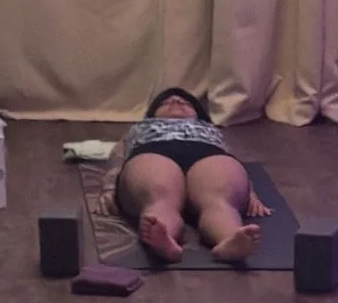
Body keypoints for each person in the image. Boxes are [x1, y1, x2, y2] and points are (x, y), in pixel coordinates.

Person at [113, 84, 268, 267]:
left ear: (198, 113)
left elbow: (234, 161)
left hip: (207, 154)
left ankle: (229, 240)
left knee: (219, 199)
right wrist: (109, 187)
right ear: (153, 113)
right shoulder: (140, 127)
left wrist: (249, 192)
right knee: (160, 196)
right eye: (166, 103)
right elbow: (117, 158)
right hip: (153, 152)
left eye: (185, 103)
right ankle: (164, 240)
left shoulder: (210, 129)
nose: (176, 101)